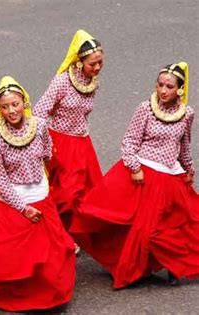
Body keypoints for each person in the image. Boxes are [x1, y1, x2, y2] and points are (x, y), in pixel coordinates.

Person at [70, 62, 199, 288]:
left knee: (175, 225)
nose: (163, 90)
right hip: (144, 173)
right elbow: (129, 141)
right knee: (137, 227)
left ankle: (173, 265)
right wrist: (134, 167)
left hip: (170, 175)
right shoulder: (145, 109)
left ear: (179, 89)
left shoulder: (187, 114)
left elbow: (184, 144)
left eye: (169, 86)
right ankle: (131, 266)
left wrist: (189, 169)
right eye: (160, 85)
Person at [0, 77, 75, 311]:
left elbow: (47, 155)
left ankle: (44, 297)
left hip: (40, 197)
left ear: (24, 103)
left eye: (15, 104)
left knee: (50, 253)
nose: (11, 110)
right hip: (14, 202)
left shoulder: (40, 127)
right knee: (1, 253)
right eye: (5, 106)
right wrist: (23, 207)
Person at [33, 29, 104, 238]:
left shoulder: (91, 82)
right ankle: (54, 232)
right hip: (61, 142)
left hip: (83, 142)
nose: (98, 67)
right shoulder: (62, 82)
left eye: (100, 62)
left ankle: (74, 232)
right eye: (93, 64)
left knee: (90, 192)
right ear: (80, 62)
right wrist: (45, 143)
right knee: (66, 192)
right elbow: (40, 112)